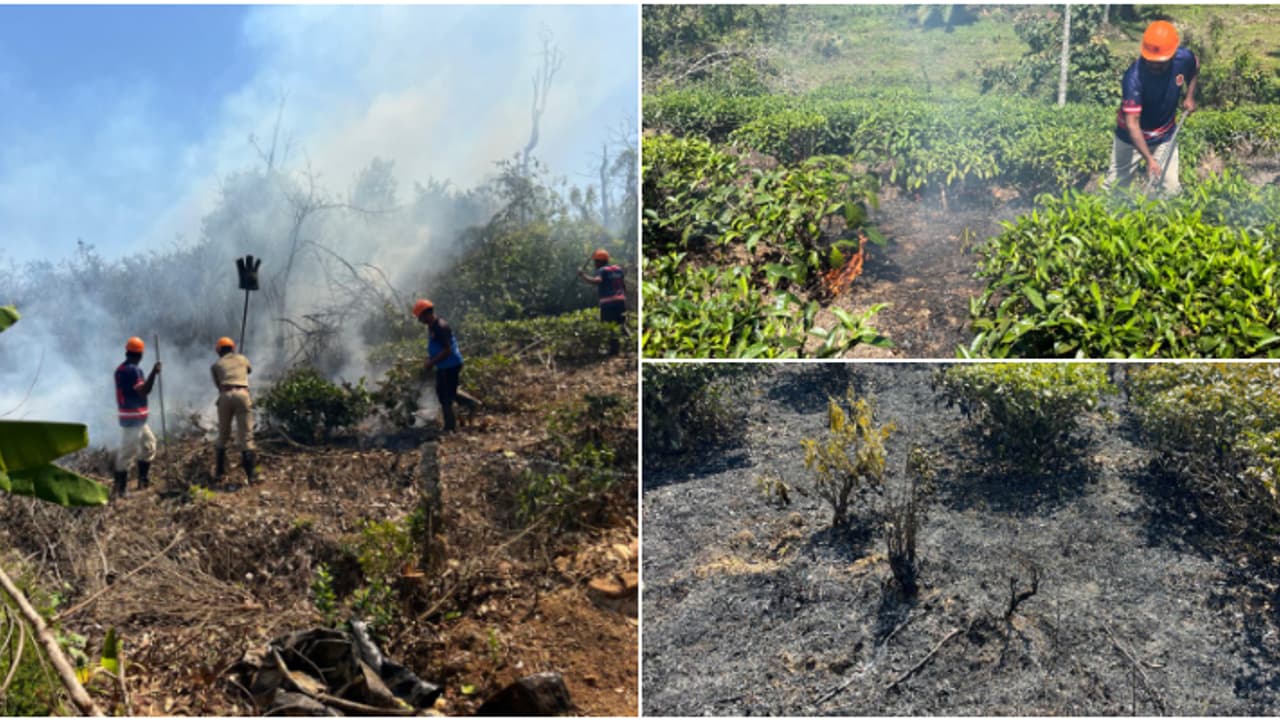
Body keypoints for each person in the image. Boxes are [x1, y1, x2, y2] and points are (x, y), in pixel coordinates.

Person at [1105, 20, 1199, 195]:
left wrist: (1189, 96)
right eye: (1151, 61)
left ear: (1172, 55)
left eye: (1160, 62)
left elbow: (1195, 66)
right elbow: (1132, 124)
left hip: (1164, 135)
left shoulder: (1184, 58)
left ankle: (1162, 221)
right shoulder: (1133, 79)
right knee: (1115, 187)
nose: (1154, 65)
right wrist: (1149, 159)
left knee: (1171, 190)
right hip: (1130, 138)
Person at [113, 336, 161, 498]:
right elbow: (143, 390)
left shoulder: (120, 369)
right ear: (140, 354)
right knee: (127, 453)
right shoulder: (134, 370)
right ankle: (120, 490)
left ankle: (143, 481)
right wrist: (154, 373)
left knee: (149, 445)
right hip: (133, 419)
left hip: (136, 419)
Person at [210, 336, 256, 486]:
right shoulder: (243, 359)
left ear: (218, 351)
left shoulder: (216, 365)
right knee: (246, 436)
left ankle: (219, 472)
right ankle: (251, 476)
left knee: (223, 434)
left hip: (225, 395)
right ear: (233, 348)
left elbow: (218, 385)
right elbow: (249, 370)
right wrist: (239, 361)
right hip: (242, 394)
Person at [414, 299, 465, 432]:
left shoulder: (440, 327)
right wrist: (430, 359)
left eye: (420, 317)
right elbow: (437, 347)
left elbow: (447, 350)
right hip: (443, 366)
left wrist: (431, 363)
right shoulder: (432, 326)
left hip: (451, 365)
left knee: (446, 397)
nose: (419, 320)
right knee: (444, 391)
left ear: (427, 314)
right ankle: (471, 404)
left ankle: (450, 427)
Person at [576, 248, 627, 355]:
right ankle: (628, 346)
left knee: (609, 326)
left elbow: (598, 281)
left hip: (608, 303)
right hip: (621, 301)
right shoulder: (618, 269)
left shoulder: (602, 270)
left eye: (595, 261)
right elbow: (623, 285)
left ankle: (613, 351)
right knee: (620, 324)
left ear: (599, 261)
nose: (594, 264)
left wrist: (583, 275)